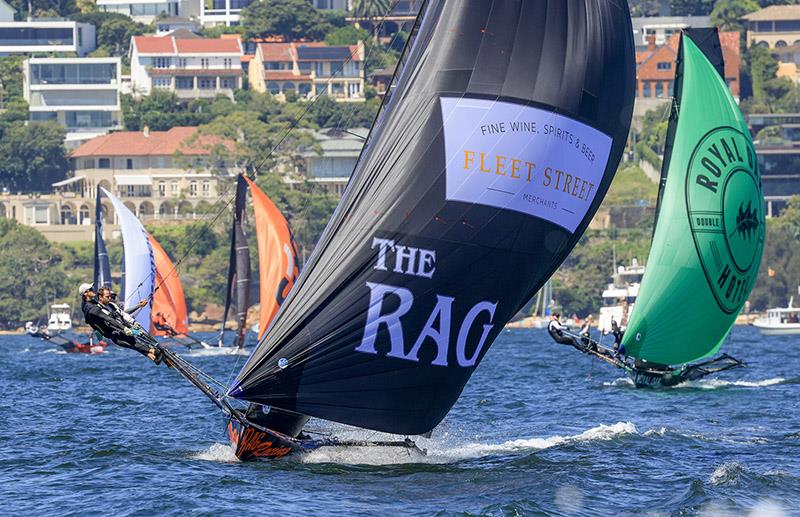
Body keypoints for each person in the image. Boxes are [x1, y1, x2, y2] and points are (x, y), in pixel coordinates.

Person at [79, 283, 162, 363]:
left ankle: (154, 356)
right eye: (91, 289)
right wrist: (124, 328)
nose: (93, 290)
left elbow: (122, 313)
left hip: (111, 330)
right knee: (132, 341)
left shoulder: (89, 303)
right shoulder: (92, 308)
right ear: (85, 293)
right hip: (111, 331)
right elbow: (108, 319)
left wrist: (137, 308)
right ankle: (154, 351)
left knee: (132, 342)